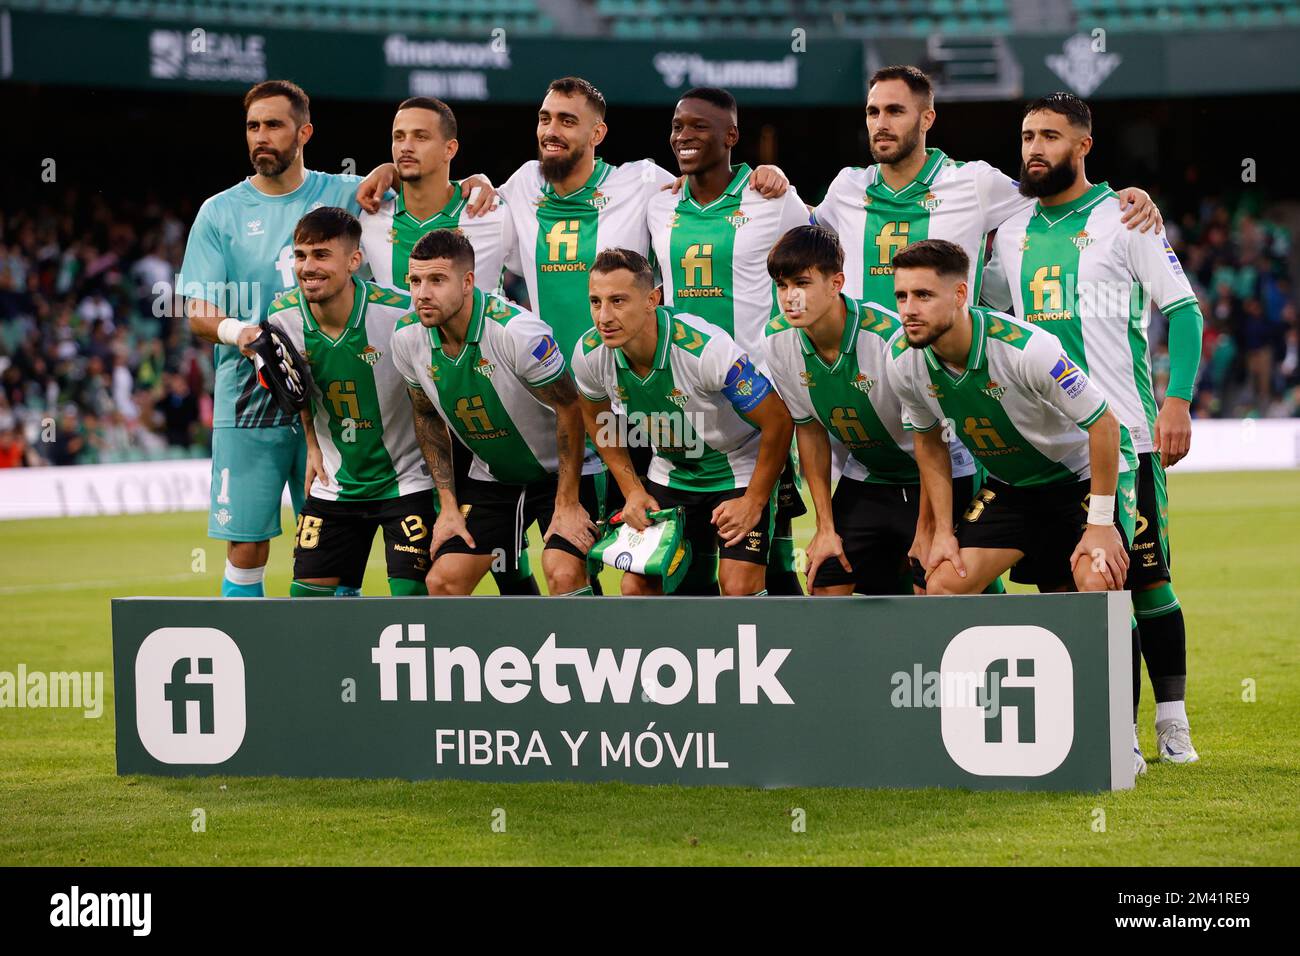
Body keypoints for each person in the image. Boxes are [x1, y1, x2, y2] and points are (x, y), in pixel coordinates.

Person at [988, 92, 1205, 767]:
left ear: (1084, 145)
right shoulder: (1011, 233)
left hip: (1126, 435)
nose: (1034, 148)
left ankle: (1172, 722)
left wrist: (1178, 401)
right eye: (1027, 135)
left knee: (1145, 580)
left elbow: (1185, 312)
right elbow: (989, 322)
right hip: (1047, 447)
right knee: (1081, 585)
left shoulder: (1126, 218)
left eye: (1050, 135)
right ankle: (1121, 731)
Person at [886, 239, 1136, 602]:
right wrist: (938, 530)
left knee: (1097, 581)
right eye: (901, 296)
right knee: (942, 586)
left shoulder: (1028, 349)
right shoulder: (901, 359)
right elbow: (928, 441)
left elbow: (1105, 424)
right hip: (1012, 487)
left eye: (923, 295)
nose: (908, 309)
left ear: (959, 294)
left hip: (1081, 478)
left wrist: (1100, 522)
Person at [358, 96, 539, 595]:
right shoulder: (370, 218)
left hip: (489, 414)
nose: (405, 146)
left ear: (451, 148)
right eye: (398, 137)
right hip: (413, 417)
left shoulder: (492, 212)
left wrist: (482, 181)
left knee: (498, 558)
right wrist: (383, 172)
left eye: (420, 136)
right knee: (428, 572)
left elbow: (546, 264)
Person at [646, 86, 812, 595]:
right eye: (677, 127)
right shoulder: (659, 206)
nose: (684, 136)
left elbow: (821, 256)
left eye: (698, 126)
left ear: (731, 136)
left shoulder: (772, 201)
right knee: (681, 569)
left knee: (771, 560)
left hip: (754, 410)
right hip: (679, 408)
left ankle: (792, 656)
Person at [763, 225, 978, 594]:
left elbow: (932, 440)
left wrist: (929, 528)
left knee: (936, 586)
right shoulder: (776, 341)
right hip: (869, 475)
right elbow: (810, 431)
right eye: (782, 286)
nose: (790, 298)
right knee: (825, 580)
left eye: (802, 283)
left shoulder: (891, 339)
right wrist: (824, 527)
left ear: (836, 283)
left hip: (939, 472)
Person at [572, 249, 794, 596]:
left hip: (737, 468)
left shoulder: (705, 349)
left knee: (738, 586)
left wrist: (752, 501)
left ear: (652, 300)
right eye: (595, 302)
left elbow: (778, 420)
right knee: (635, 589)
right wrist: (632, 490)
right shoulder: (590, 353)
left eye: (618, 301)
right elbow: (594, 415)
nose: (604, 316)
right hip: (671, 472)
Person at [390, 229, 597, 596]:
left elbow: (571, 406)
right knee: (443, 582)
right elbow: (426, 416)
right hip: (493, 477)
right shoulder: (407, 338)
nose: (422, 293)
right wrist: (448, 506)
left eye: (437, 280)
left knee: (564, 574)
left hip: (560, 474)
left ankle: (587, 651)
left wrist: (567, 502)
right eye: (416, 280)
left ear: (468, 282)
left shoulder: (517, 332)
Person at [263, 207, 432, 597]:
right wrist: (311, 444)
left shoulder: (399, 311)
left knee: (412, 603)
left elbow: (430, 393)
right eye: (301, 255)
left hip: (406, 480)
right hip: (335, 483)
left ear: (354, 261)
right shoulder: (282, 315)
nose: (308, 267)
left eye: (322, 255)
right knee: (305, 601)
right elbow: (297, 387)